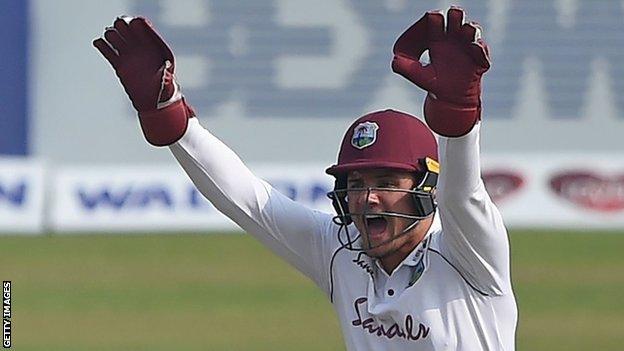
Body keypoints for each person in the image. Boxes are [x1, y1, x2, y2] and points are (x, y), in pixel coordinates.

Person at [94, 7, 517, 350]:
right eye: (354, 183)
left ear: (427, 186)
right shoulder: (340, 253)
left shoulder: (469, 254)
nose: (367, 198)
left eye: (386, 180)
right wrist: (169, 116)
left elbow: (464, 196)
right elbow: (252, 202)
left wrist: (458, 119)